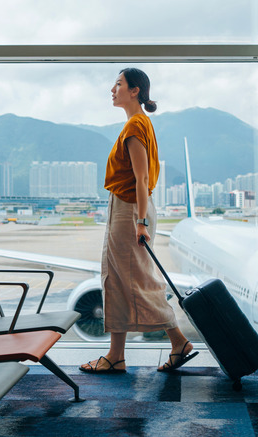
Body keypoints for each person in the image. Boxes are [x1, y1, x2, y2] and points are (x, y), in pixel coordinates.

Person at [80, 68, 198, 374]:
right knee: (116, 280)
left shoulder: (135, 126)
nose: (112, 89)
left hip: (131, 210)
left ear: (135, 91)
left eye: (118, 84)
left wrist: (141, 221)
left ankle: (178, 342)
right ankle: (116, 355)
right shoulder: (138, 124)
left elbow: (142, 178)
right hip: (127, 208)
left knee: (137, 280)